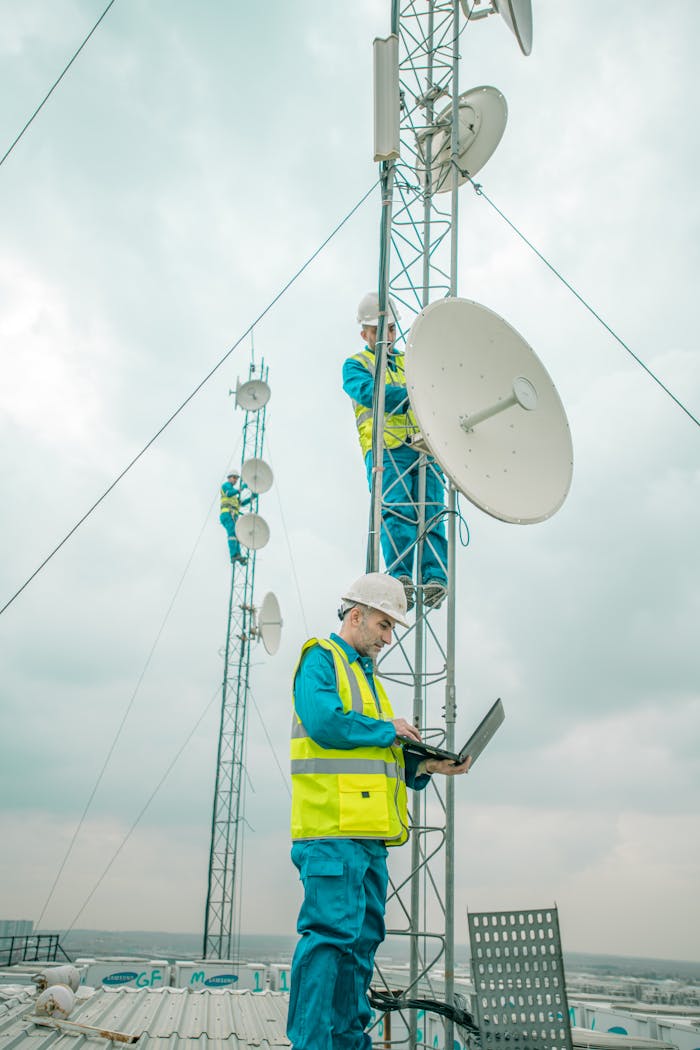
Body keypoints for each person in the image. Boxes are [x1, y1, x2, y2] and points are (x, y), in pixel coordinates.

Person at [287, 573, 470, 1050]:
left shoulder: (369, 683)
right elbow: (327, 724)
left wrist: (425, 765)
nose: (389, 639)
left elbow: (375, 756)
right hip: (331, 832)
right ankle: (311, 1044)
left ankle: (348, 1042)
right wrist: (388, 730)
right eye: (385, 626)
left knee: (360, 945)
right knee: (328, 940)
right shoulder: (319, 659)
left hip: (367, 839)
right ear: (356, 616)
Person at [342, 292, 448, 611]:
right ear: (365, 334)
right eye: (378, 331)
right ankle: (400, 576)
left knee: (432, 510)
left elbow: (436, 392)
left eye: (390, 329)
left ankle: (434, 577)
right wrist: (410, 395)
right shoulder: (357, 364)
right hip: (387, 450)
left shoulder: (410, 362)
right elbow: (369, 392)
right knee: (397, 510)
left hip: (423, 448)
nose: (386, 336)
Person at [219, 471, 251, 564]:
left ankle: (238, 555)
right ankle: (233, 555)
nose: (235, 480)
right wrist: (240, 489)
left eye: (236, 478)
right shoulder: (226, 486)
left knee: (237, 535)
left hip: (233, 516)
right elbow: (229, 493)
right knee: (232, 533)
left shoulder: (234, 496)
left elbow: (241, 503)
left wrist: (252, 497)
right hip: (227, 514)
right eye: (234, 477)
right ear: (229, 478)